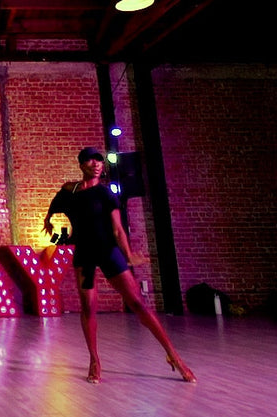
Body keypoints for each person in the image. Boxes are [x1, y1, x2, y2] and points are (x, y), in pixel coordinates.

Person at [45, 146, 195, 384]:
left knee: (138, 303)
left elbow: (117, 229)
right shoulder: (70, 191)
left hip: (108, 252)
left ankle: (173, 356)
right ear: (81, 164)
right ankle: (94, 360)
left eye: (99, 160)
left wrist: (128, 255)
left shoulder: (106, 194)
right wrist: (48, 221)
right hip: (85, 255)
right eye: (91, 160)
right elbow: (55, 205)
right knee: (88, 307)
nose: (96, 164)